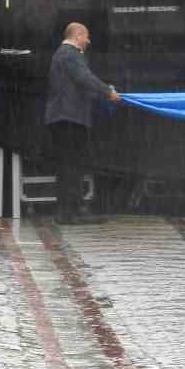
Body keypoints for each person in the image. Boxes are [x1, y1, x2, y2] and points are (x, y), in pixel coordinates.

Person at [42, 22, 120, 224]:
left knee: (68, 164)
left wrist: (102, 92)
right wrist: (107, 91)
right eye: (86, 36)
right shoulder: (70, 54)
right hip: (69, 118)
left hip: (64, 117)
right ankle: (72, 211)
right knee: (72, 164)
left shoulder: (63, 54)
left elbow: (80, 84)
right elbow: (84, 78)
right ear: (77, 35)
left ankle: (67, 211)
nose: (88, 41)